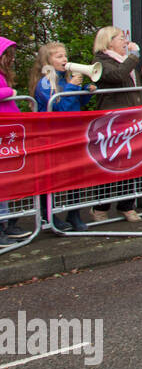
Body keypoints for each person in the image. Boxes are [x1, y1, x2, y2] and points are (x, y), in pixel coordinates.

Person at [91, 25, 142, 223]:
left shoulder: (123, 62)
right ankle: (101, 206)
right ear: (108, 42)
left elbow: (131, 85)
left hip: (131, 120)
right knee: (110, 164)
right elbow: (116, 76)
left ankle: (127, 205)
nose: (125, 42)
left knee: (131, 162)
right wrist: (134, 57)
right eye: (120, 38)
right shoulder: (101, 62)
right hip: (112, 122)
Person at [27, 42, 92, 231]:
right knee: (51, 178)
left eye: (65, 55)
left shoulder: (66, 79)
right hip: (52, 137)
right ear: (47, 61)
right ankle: (49, 216)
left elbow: (74, 103)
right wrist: (72, 88)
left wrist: (85, 90)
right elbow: (60, 107)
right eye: (58, 56)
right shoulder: (46, 83)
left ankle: (74, 214)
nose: (64, 59)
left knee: (75, 176)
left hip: (72, 134)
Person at [0, 38, 24, 243]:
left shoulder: (3, 75)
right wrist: (10, 92)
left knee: (6, 181)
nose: (12, 58)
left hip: (8, 133)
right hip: (3, 131)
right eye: (9, 54)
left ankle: (6, 224)